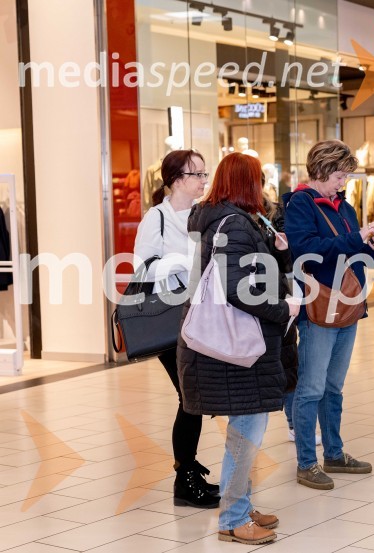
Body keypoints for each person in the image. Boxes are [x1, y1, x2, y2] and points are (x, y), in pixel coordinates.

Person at [178, 152, 300, 545]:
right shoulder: (234, 224)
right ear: (246, 183)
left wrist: (277, 251)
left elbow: (250, 274)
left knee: (246, 430)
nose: (263, 187)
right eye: (258, 180)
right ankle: (233, 518)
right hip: (238, 349)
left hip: (232, 348)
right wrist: (282, 310)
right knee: (245, 433)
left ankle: (241, 505)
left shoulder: (227, 219)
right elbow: (238, 290)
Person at [283, 140, 374, 490]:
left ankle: (334, 453)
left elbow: (357, 256)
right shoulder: (300, 203)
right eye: (340, 175)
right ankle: (306, 463)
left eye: (346, 177)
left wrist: (373, 247)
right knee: (311, 388)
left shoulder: (345, 207)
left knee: (333, 387)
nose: (343, 183)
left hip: (348, 305)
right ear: (322, 169)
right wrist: (355, 238)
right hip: (318, 307)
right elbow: (306, 250)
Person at [133, 149, 219, 508]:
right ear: (176, 179)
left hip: (203, 315)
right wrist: (186, 261)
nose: (203, 180)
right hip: (171, 320)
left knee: (194, 396)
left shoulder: (206, 214)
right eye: (196, 174)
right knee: (189, 396)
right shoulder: (157, 217)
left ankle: (188, 473)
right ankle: (185, 478)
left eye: (204, 173)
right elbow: (142, 268)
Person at [258, 194, 321, 447]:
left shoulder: (274, 214)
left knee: (288, 364)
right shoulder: (233, 217)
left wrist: (281, 249)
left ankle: (294, 425)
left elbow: (287, 265)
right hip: (247, 303)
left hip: (278, 300)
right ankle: (251, 430)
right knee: (254, 370)